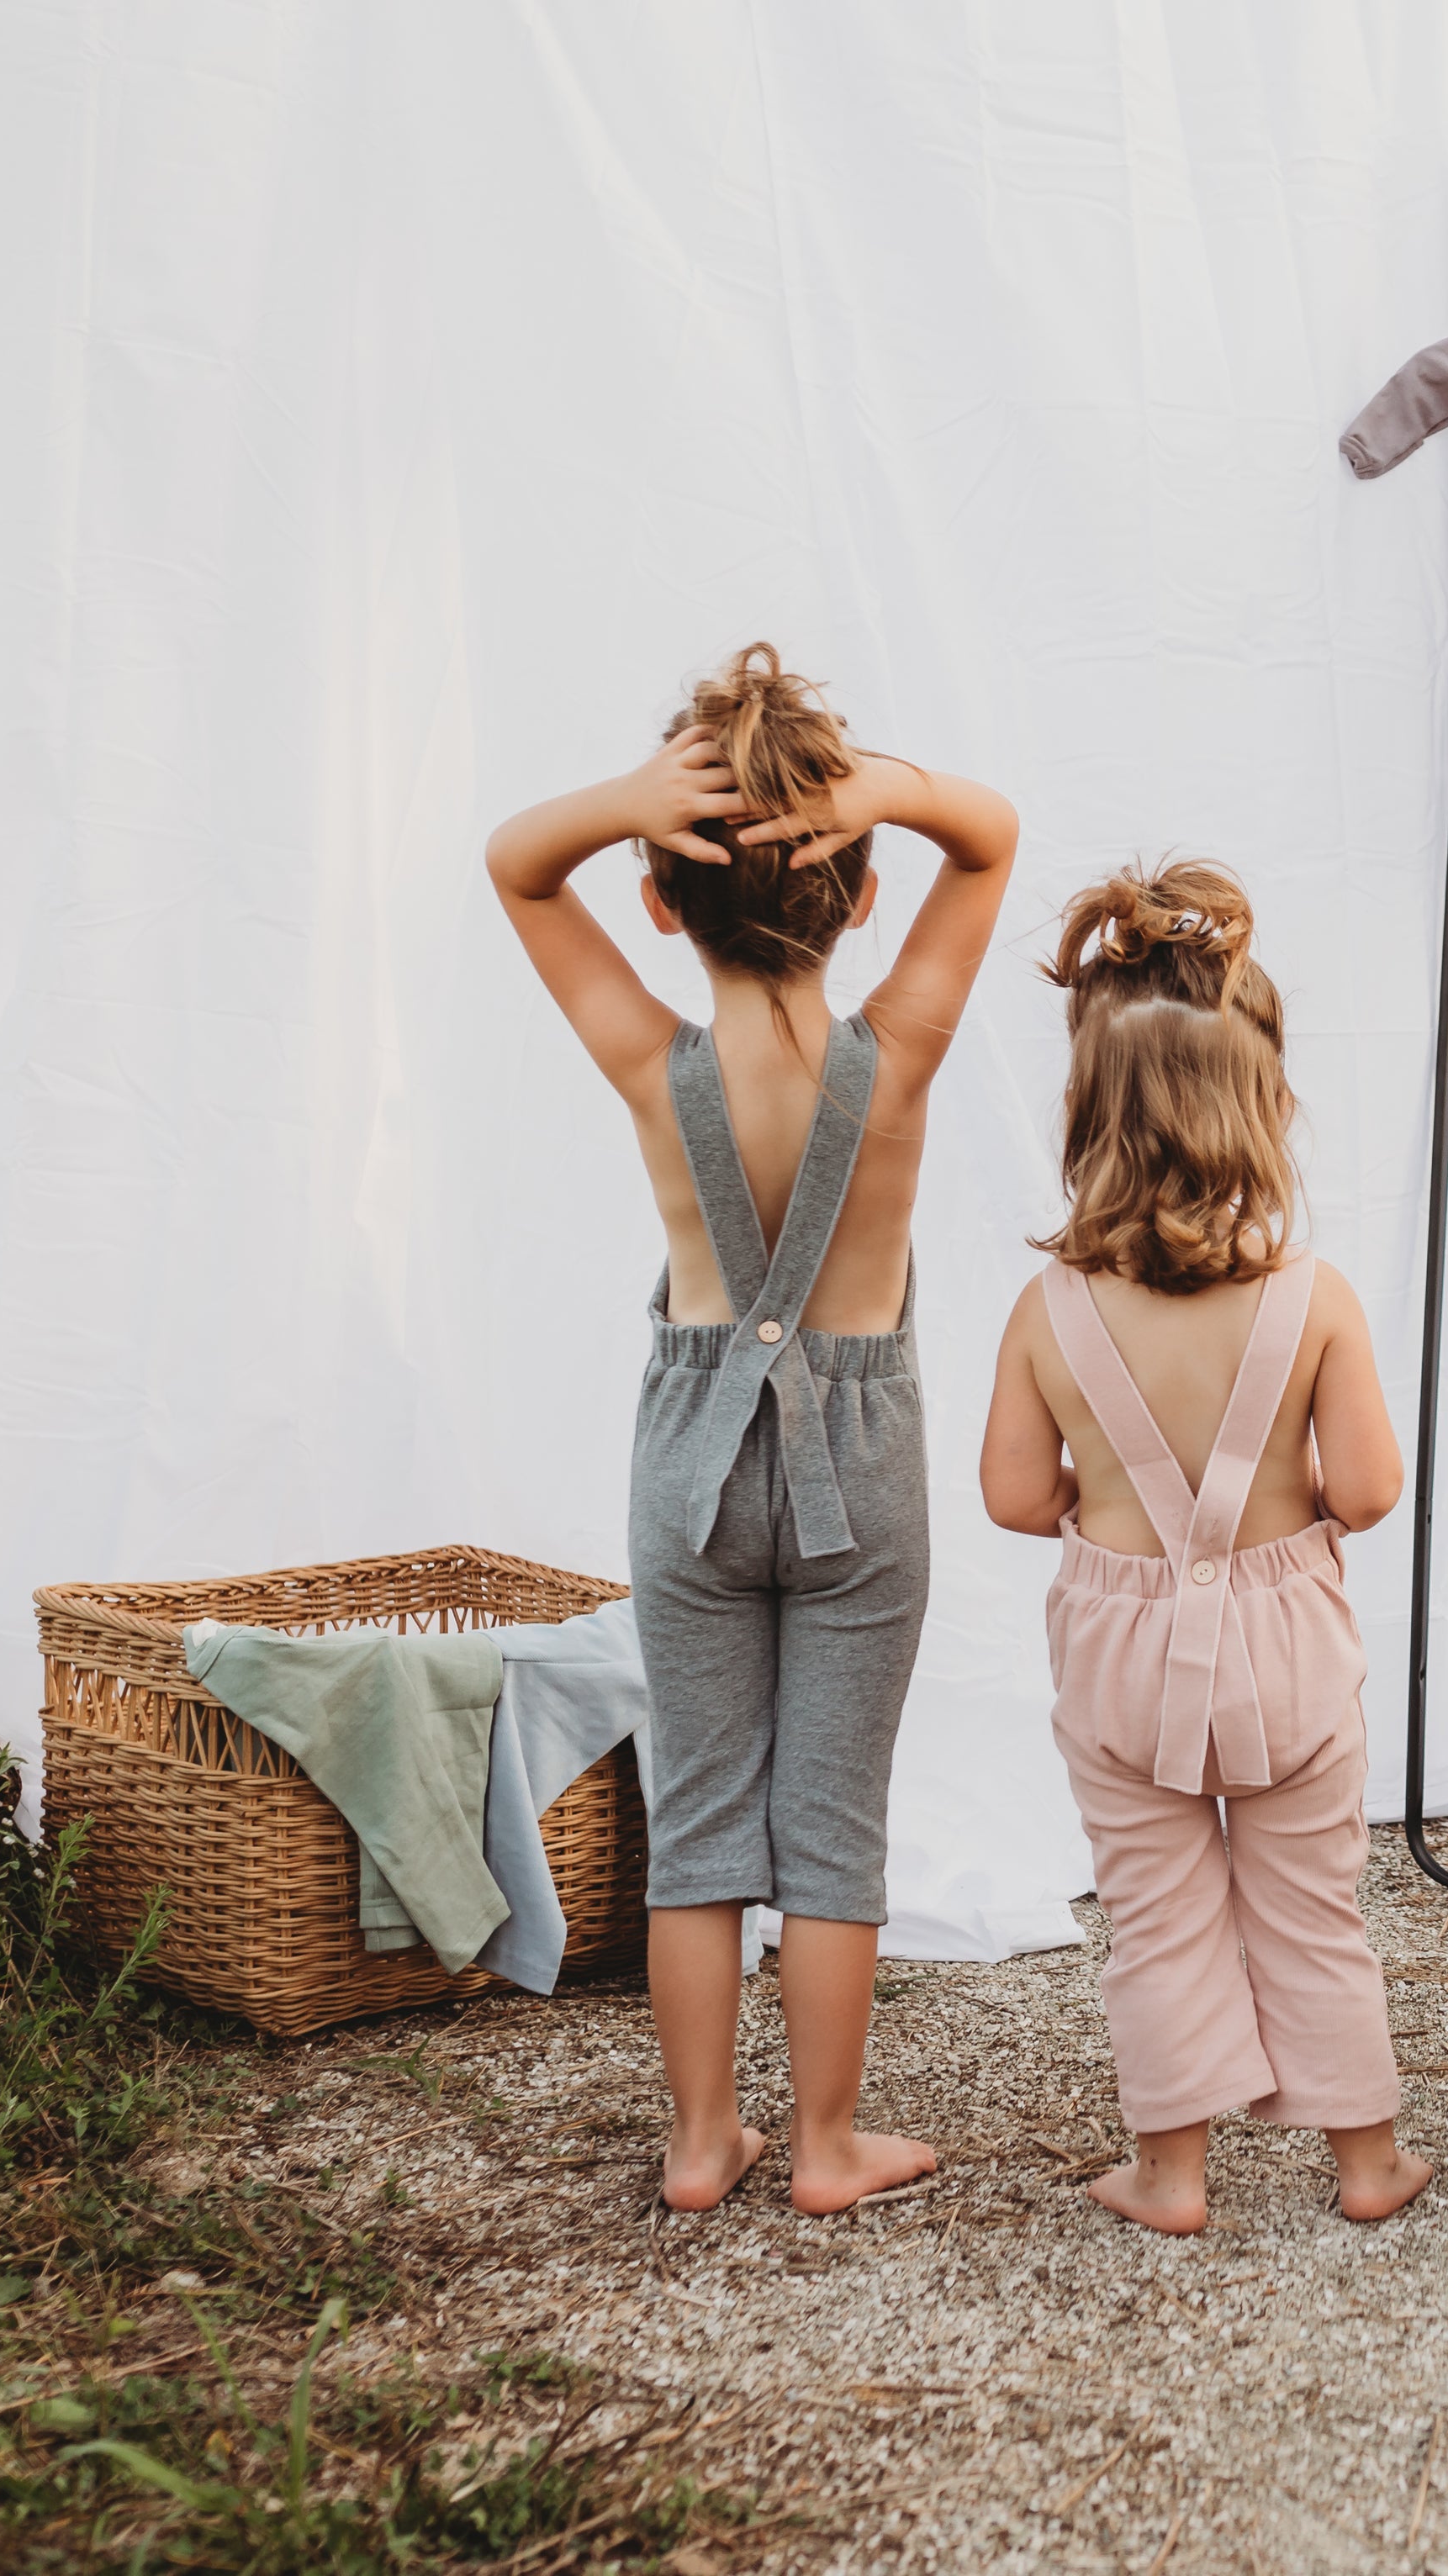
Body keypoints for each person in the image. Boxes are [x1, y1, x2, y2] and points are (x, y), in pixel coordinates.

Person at [487, 643, 1017, 2213]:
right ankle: (830, 2142)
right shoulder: (898, 1053)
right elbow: (987, 834)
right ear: (862, 897)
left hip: (689, 1462)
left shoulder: (658, 1067)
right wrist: (883, 790)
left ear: (657, 899)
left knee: (702, 1810)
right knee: (832, 1815)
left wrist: (630, 802)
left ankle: (703, 2135)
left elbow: (518, 874)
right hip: (864, 1465)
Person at [978, 862, 1430, 2236]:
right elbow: (1367, 1486)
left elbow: (1008, 1493)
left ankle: (1170, 2172)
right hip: (1286, 1644)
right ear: (1266, 1108)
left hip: (1120, 1646)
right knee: (1312, 1908)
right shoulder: (1316, 1297)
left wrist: (1102, 1491)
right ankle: (1365, 2163)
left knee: (1157, 1916)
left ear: (1084, 1112)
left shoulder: (1047, 1307)